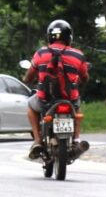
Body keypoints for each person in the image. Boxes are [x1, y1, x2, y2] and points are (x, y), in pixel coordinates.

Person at [23, 19, 89, 160]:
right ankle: (76, 140)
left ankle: (37, 141)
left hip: (44, 100)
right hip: (70, 99)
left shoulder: (40, 54)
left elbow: (28, 77)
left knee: (30, 106)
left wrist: (29, 79)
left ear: (49, 36)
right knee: (77, 110)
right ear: (69, 37)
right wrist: (79, 81)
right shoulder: (78, 55)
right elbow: (85, 77)